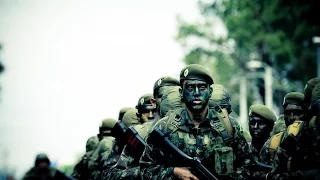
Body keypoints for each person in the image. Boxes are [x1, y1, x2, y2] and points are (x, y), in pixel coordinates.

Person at [139, 64, 255, 180]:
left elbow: (248, 167)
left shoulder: (228, 127)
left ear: (210, 91)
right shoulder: (164, 128)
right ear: (181, 92)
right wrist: (174, 172)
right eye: (190, 88)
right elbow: (145, 170)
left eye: (202, 87)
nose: (196, 93)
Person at [259, 92, 305, 165]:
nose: (291, 117)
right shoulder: (272, 144)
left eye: (297, 113)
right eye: (288, 113)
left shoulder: (313, 140)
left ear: (305, 114)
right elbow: (261, 173)